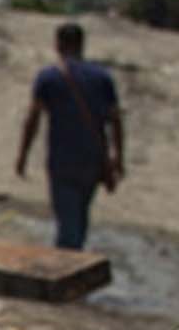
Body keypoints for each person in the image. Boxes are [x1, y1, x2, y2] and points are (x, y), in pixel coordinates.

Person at [18, 21, 124, 251]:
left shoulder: (48, 78)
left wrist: (23, 156)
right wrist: (118, 158)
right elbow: (115, 121)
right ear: (81, 45)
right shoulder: (102, 78)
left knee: (68, 226)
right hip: (92, 161)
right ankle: (73, 267)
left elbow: (32, 120)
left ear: (58, 45)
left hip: (62, 161)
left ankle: (65, 273)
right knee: (80, 219)